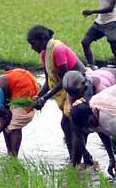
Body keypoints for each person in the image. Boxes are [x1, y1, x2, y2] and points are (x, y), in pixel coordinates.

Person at [26, 25, 89, 165]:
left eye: (33, 43)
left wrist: (45, 98)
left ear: (42, 39)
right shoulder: (44, 53)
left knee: (71, 123)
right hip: (68, 87)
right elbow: (50, 80)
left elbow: (64, 80)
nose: (31, 47)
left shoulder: (58, 50)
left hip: (78, 86)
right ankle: (77, 157)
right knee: (69, 124)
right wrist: (39, 96)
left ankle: (78, 159)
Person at [61, 67, 116, 169]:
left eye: (76, 92)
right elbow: (77, 127)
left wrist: (111, 158)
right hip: (103, 74)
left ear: (84, 84)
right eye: (71, 93)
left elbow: (102, 129)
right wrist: (84, 152)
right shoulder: (72, 91)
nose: (74, 96)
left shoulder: (100, 91)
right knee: (81, 124)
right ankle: (74, 166)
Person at [0, 68, 40, 157]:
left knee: (15, 125)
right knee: (7, 126)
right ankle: (10, 155)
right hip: (14, 82)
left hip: (21, 82)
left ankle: (13, 159)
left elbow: (8, 115)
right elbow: (4, 122)